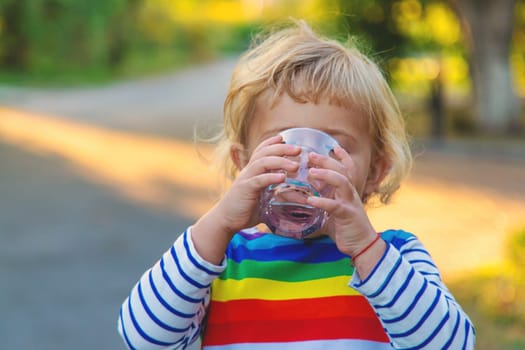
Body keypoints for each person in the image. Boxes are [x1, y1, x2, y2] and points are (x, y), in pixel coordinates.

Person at [118, 20, 475, 350]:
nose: (305, 165)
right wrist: (219, 223)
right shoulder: (224, 262)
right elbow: (143, 338)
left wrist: (367, 250)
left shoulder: (395, 257)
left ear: (375, 171)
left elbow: (452, 344)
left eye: (333, 148)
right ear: (244, 164)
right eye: (283, 146)